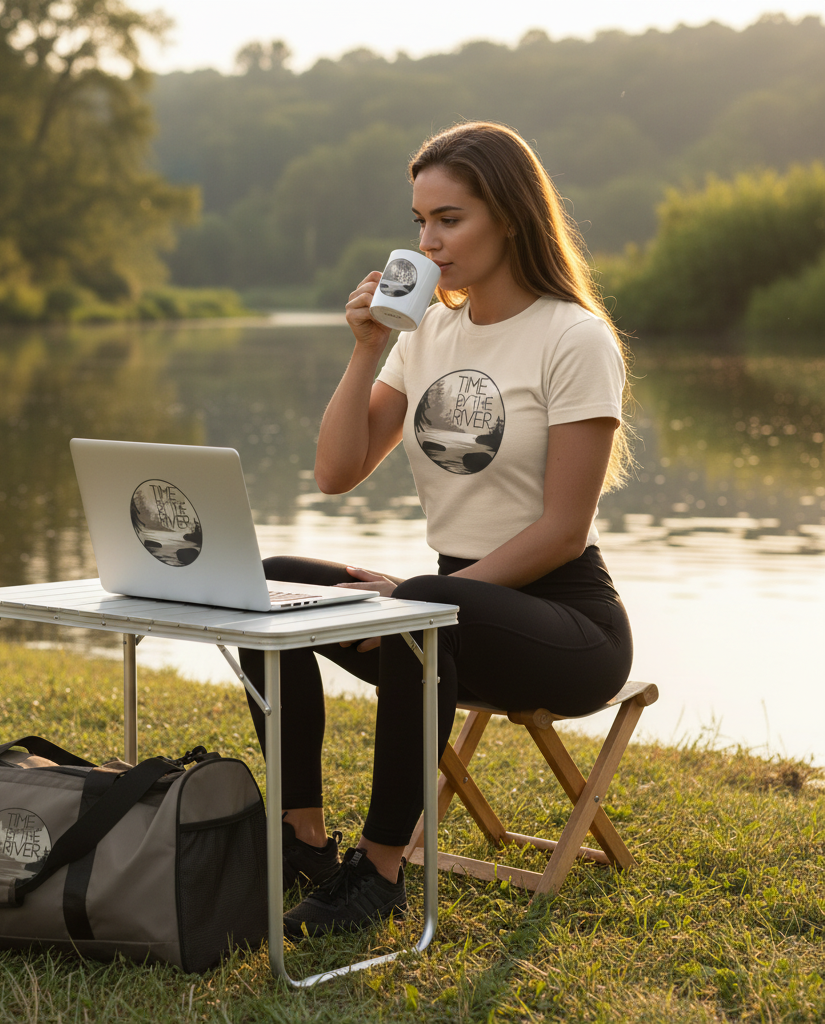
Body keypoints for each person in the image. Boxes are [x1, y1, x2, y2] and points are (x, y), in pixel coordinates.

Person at [239, 120, 634, 938]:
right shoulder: (430, 333)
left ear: (512, 217)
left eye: (448, 219)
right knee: (267, 579)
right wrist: (367, 349)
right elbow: (337, 473)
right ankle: (300, 837)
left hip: (564, 622)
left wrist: (420, 602)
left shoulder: (574, 337)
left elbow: (564, 531)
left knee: (418, 608)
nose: (428, 242)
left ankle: (379, 871)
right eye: (420, 221)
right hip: (450, 614)